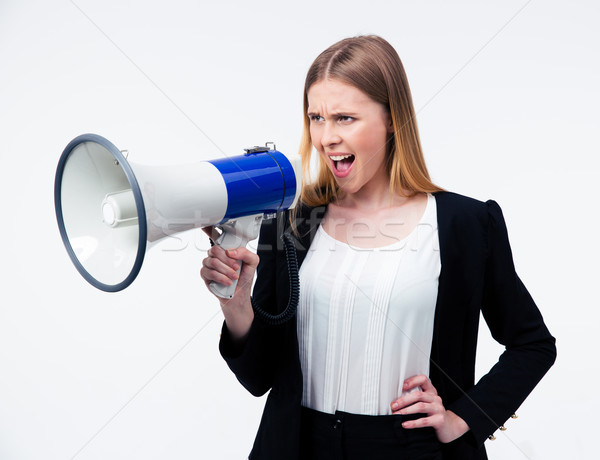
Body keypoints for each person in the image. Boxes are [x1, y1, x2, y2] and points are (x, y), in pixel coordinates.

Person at [200, 35, 556, 460]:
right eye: (316, 117)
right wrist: (237, 305)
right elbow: (259, 378)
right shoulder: (292, 219)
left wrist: (464, 418)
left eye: (345, 118)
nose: (326, 136)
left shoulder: (464, 224)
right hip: (299, 446)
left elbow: (532, 344)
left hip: (411, 449)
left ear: (392, 120)